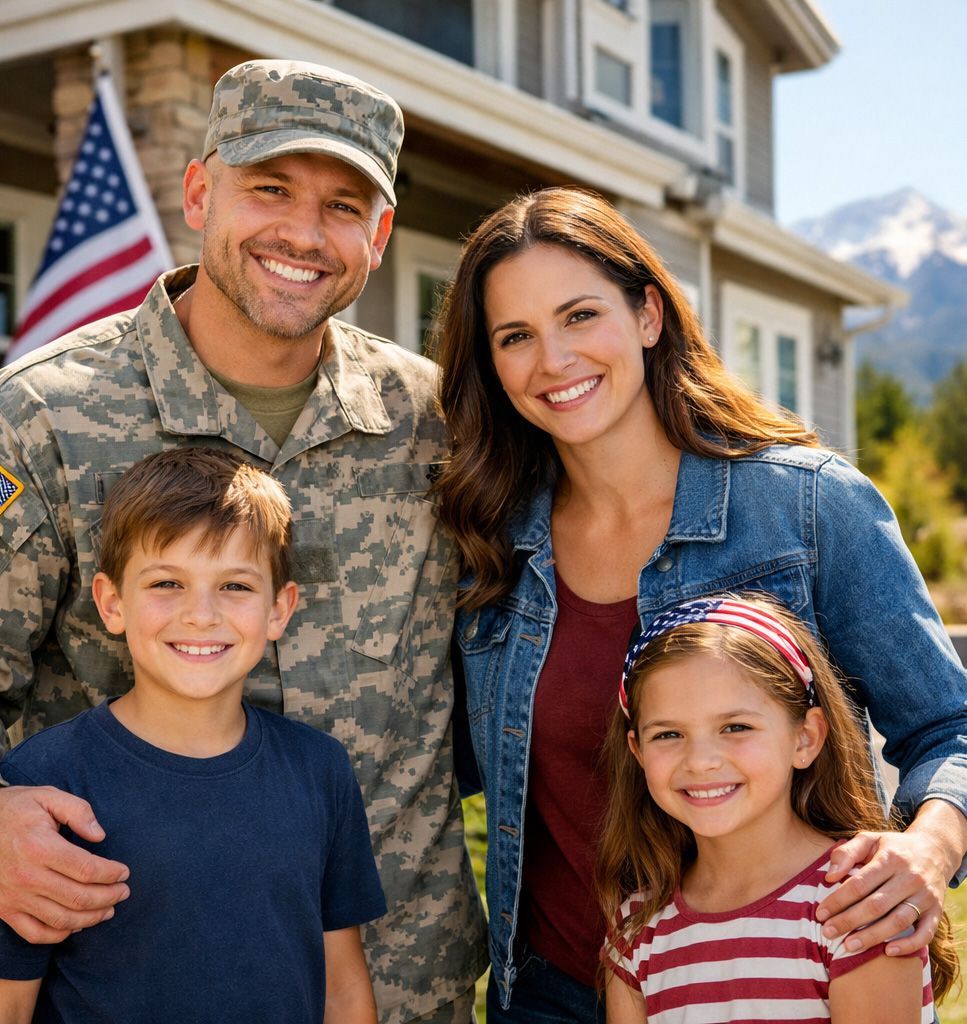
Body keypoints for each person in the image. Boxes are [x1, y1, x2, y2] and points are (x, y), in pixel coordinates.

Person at [0, 59, 486, 1024]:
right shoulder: (43, 417)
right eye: (269, 188)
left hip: (400, 986)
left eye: (344, 206)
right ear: (199, 192)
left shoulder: (439, 424)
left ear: (379, 236)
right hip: (135, 976)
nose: (303, 235)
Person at [433, 187, 967, 1022]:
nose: (553, 360)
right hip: (551, 990)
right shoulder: (486, 541)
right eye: (515, 336)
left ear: (648, 314)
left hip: (790, 987)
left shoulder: (805, 506)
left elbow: (950, 727)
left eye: (580, 316)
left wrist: (928, 848)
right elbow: (429, 754)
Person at [0, 447, 386, 1023]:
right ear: (111, 603)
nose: (201, 614)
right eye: (166, 582)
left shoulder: (319, 769)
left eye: (234, 586)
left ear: (280, 609)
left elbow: (344, 988)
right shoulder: (44, 789)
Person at [598, 593, 958, 1023]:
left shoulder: (861, 905)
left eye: (736, 727)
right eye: (668, 734)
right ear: (637, 750)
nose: (700, 760)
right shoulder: (637, 929)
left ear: (805, 738)